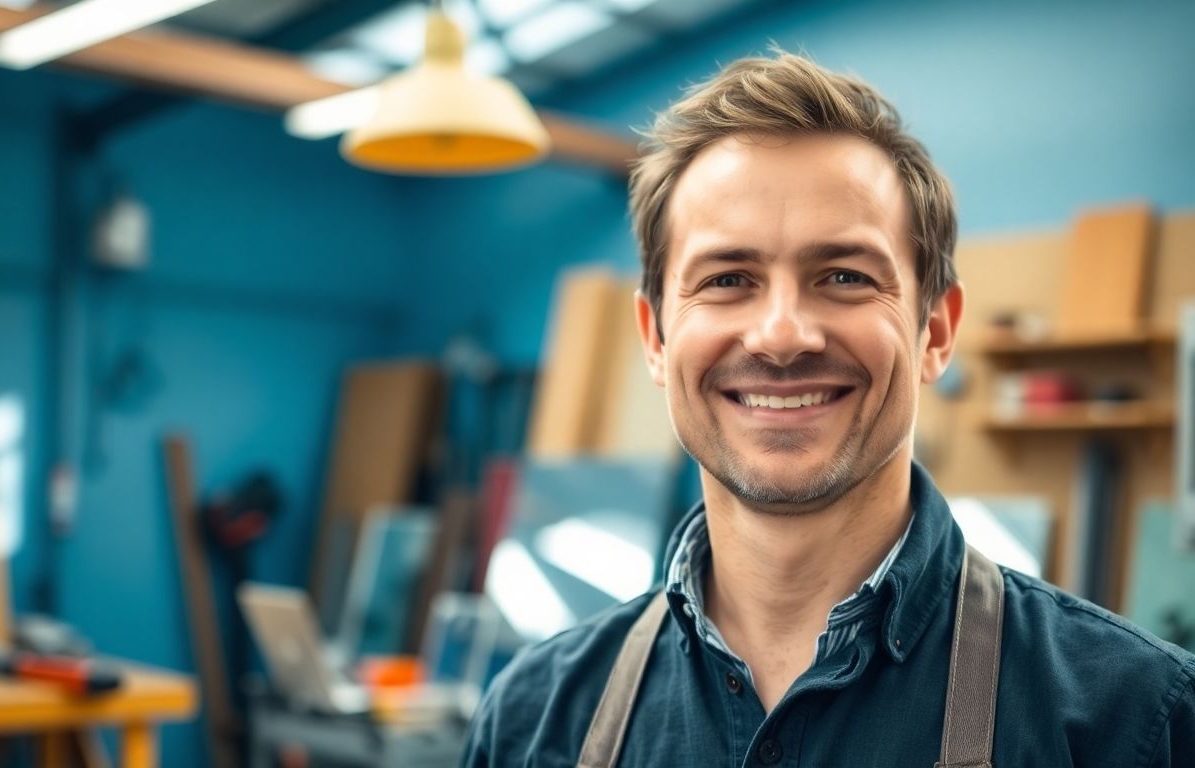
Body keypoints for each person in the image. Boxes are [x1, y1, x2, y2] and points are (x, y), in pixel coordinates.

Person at [460, 51, 1195, 767]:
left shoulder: (1134, 718)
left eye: (843, 275)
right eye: (728, 278)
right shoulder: (534, 719)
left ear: (934, 331)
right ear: (655, 338)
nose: (782, 335)